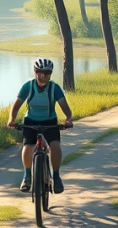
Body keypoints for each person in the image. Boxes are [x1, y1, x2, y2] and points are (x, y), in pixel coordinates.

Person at [6, 58, 73, 193]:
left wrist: (68, 119)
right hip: (30, 121)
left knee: (54, 146)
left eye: (47, 72)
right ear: (35, 72)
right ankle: (27, 176)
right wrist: (12, 119)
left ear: (50, 73)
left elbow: (64, 106)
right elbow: (16, 105)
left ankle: (56, 176)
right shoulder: (28, 86)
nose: (43, 75)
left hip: (50, 122)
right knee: (28, 146)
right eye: (40, 72)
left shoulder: (55, 88)